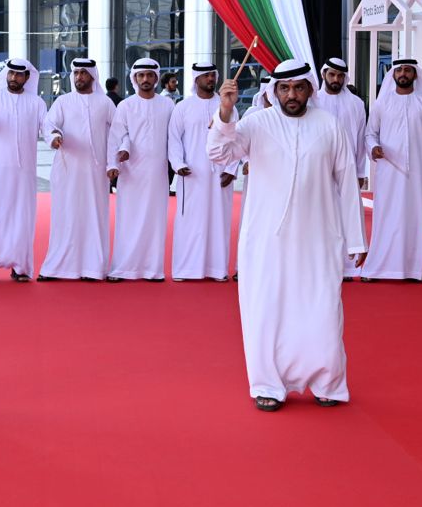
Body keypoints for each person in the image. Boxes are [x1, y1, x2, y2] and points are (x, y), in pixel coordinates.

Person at [207, 60, 366, 410]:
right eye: (284, 88)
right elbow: (218, 154)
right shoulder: (255, 124)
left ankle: (328, 382)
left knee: (322, 309)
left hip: (319, 238)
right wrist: (225, 112)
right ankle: (267, 384)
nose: (291, 95)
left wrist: (356, 238)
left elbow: (348, 184)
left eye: (298, 88)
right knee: (266, 311)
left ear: (310, 89)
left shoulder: (330, 125)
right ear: (273, 90)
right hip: (266, 241)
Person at [361, 59, 422, 282]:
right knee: (385, 217)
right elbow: (370, 133)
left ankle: (415, 271)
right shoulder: (382, 103)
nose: (403, 73)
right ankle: (377, 269)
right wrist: (374, 147)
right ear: (393, 74)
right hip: (389, 171)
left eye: (407, 70)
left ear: (415, 74)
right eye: (398, 70)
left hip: (419, 172)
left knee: (416, 218)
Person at [0, 58, 50, 283]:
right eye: (10, 73)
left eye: (18, 75)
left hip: (24, 173)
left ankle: (20, 266)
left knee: (21, 217)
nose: (13, 78)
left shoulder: (36, 103)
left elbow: (48, 126)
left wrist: (55, 137)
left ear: (27, 77)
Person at [38, 57, 116, 282]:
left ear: (93, 75)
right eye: (76, 73)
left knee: (94, 216)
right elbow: (49, 125)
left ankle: (93, 268)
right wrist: (54, 137)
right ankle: (58, 267)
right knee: (66, 215)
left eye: (83, 72)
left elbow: (118, 133)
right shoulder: (63, 101)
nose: (79, 77)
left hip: (96, 172)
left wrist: (113, 163)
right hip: (67, 170)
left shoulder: (105, 103)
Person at [107, 57, 175, 281]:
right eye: (141, 75)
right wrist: (114, 163)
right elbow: (116, 136)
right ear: (134, 79)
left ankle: (152, 270)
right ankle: (122, 268)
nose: (145, 79)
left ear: (156, 78)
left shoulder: (168, 105)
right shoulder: (126, 105)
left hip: (157, 173)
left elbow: (175, 138)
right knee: (128, 219)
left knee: (155, 220)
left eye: (149, 75)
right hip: (131, 173)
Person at [168, 63, 236, 282]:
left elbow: (238, 138)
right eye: (205, 75)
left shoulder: (227, 106)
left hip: (219, 175)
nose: (210, 79)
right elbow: (174, 139)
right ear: (195, 79)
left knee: (219, 221)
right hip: (192, 175)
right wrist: (178, 164)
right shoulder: (183, 107)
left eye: (212, 75)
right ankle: (186, 269)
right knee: (190, 222)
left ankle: (217, 269)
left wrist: (232, 169)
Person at [315, 57, 369, 278]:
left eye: (340, 76)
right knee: (320, 215)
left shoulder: (355, 104)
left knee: (345, 213)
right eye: (332, 75)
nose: (335, 79)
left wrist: (359, 171)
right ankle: (321, 264)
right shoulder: (314, 101)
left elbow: (360, 139)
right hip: (318, 168)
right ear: (324, 75)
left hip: (347, 168)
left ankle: (346, 268)